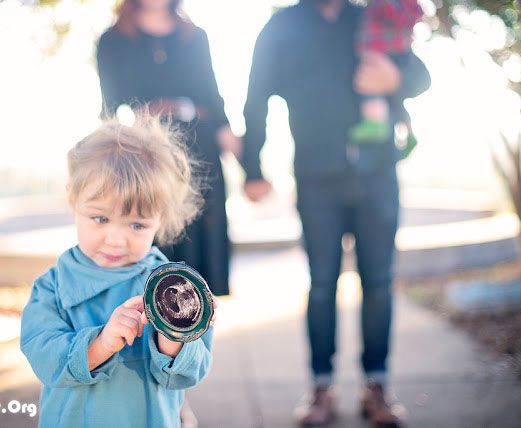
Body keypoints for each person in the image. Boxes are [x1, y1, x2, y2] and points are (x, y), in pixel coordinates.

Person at [241, 0, 431, 426]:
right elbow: (255, 99)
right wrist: (252, 168)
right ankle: (320, 387)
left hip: (379, 172)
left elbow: (421, 75)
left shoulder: (371, 16)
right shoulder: (281, 27)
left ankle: (376, 385)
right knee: (322, 284)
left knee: (379, 284)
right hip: (316, 176)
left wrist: (396, 76)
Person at [20, 112, 214, 427]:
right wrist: (101, 344)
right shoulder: (52, 287)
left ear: (160, 220)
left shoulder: (174, 288)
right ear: (74, 200)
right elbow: (46, 359)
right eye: (100, 219)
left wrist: (175, 336)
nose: (116, 239)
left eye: (137, 224)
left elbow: (190, 374)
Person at [96, 0, 239, 300]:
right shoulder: (112, 41)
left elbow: (213, 98)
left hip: (199, 152)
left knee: (202, 255)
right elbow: (110, 109)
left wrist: (252, 168)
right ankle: (157, 342)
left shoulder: (194, 36)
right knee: (155, 245)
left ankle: (196, 343)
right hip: (146, 153)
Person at [349, 0, 424, 158]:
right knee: (393, 99)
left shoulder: (361, 13)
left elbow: (422, 78)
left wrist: (397, 80)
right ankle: (407, 132)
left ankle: (375, 123)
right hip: (329, 168)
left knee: (369, 83)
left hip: (381, 167)